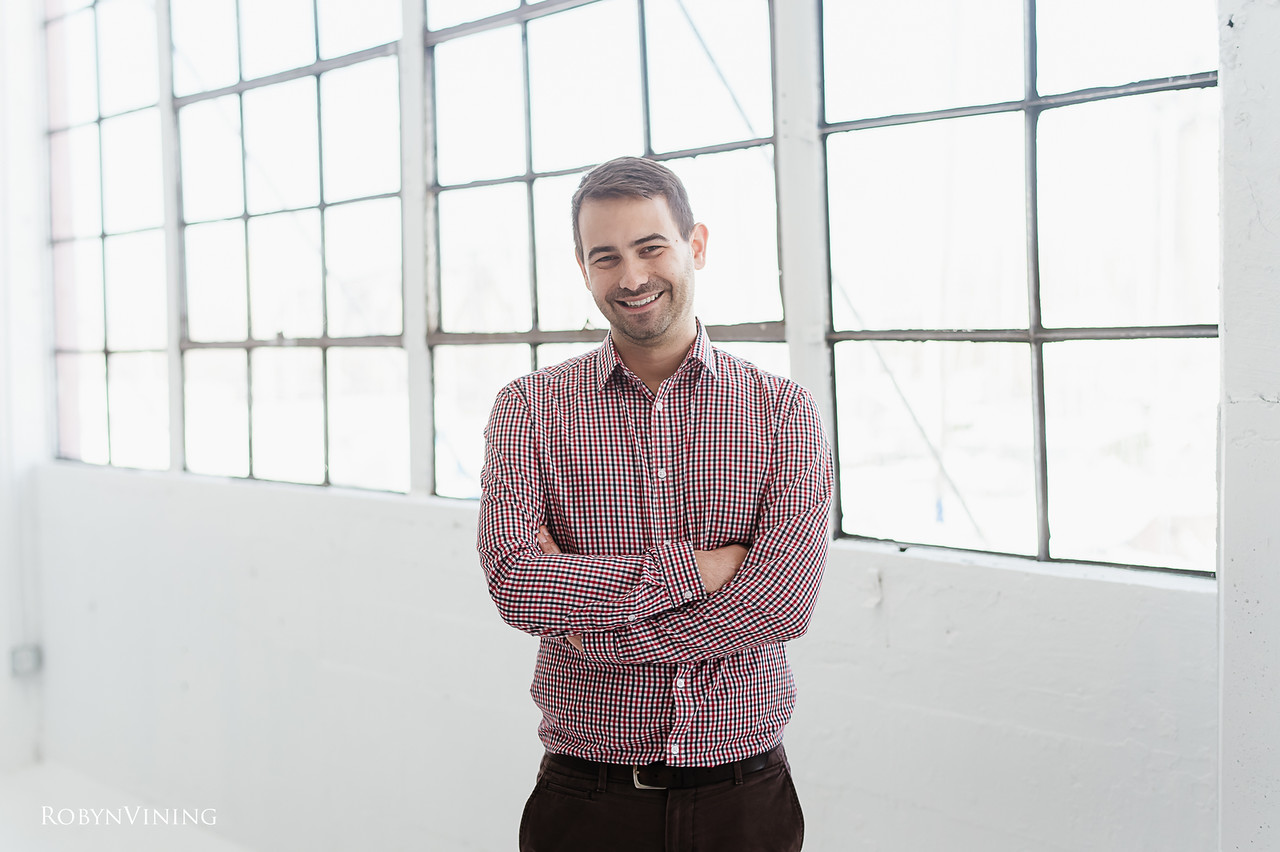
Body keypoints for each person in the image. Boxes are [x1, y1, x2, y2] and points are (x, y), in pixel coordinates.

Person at [477, 155, 832, 852]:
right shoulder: (528, 409)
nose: (632, 277)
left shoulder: (782, 411)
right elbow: (516, 585)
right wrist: (700, 570)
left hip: (744, 802)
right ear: (583, 269)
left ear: (695, 245)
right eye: (605, 257)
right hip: (585, 801)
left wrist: (596, 634)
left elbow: (782, 604)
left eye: (650, 247)